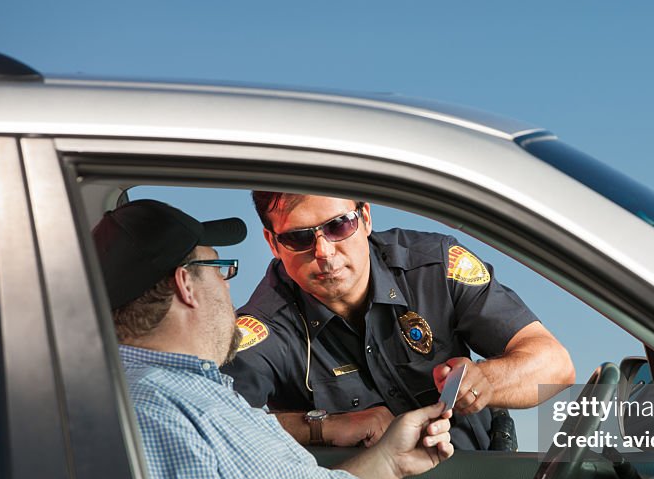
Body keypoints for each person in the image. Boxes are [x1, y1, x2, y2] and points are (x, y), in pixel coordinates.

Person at [92, 199, 453, 479]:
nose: (228, 285)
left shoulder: (198, 394)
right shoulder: (151, 412)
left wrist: (391, 462)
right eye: (220, 269)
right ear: (186, 285)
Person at [223, 192, 575, 451]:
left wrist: (486, 381)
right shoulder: (261, 328)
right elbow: (214, 424)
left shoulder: (435, 268)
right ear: (272, 243)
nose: (324, 253)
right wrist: (325, 427)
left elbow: (556, 366)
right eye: (299, 237)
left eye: (338, 226)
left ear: (365, 217)